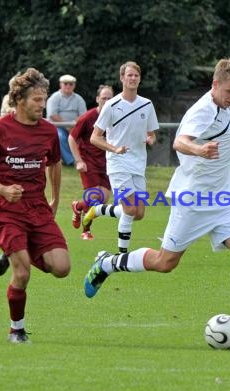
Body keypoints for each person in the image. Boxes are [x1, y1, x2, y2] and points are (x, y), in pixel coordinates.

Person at [83, 57, 230, 350]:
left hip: (221, 199)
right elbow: (179, 142)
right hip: (192, 199)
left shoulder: (223, 106)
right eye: (229, 92)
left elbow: (229, 124)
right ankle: (108, 263)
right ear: (215, 84)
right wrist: (199, 150)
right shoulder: (202, 110)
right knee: (164, 262)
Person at [0, 68, 71, 344]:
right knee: (23, 272)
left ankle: (15, 252)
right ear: (20, 100)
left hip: (38, 207)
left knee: (62, 268)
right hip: (8, 211)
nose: (42, 104)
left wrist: (55, 198)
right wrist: (2, 188)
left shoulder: (48, 131)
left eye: (44, 99)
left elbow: (55, 163)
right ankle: (16, 329)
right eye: (37, 100)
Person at [81, 61, 158, 253]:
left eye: (136, 76)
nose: (133, 79)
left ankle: (96, 210)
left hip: (138, 163)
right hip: (118, 163)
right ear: (122, 78)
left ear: (139, 79)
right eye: (129, 75)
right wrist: (114, 149)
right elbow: (94, 137)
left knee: (138, 213)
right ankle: (122, 254)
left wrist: (150, 139)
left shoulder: (147, 104)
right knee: (130, 209)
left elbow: (152, 133)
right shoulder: (112, 105)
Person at [68, 84, 115, 240]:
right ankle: (86, 231)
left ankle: (77, 206)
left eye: (110, 98)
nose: (107, 101)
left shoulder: (116, 118)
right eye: (104, 98)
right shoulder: (88, 118)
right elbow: (71, 138)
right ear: (97, 99)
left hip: (107, 163)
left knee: (102, 201)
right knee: (94, 198)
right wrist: (79, 161)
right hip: (89, 162)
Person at [46, 74, 87, 165]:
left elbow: (83, 116)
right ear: (60, 84)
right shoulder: (54, 98)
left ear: (74, 86)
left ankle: (84, 158)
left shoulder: (79, 99)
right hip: (57, 127)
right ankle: (72, 161)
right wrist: (67, 126)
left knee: (84, 136)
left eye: (71, 84)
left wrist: (73, 125)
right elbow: (53, 115)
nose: (68, 86)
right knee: (60, 137)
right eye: (65, 83)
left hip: (75, 126)